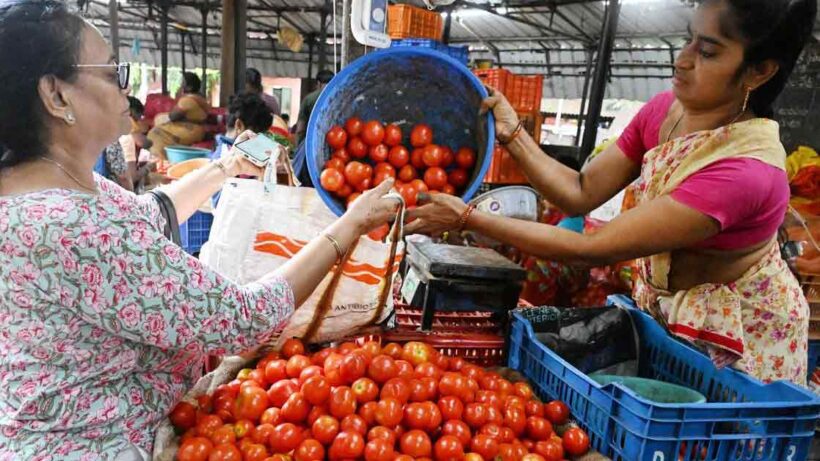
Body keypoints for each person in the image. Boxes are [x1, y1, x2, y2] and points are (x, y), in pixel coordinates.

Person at [0, 2, 399, 457]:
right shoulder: (72, 225)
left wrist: (224, 167)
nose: (126, 89)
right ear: (56, 96)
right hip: (93, 444)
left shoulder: (46, 187)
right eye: (112, 73)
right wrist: (349, 227)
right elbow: (245, 319)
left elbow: (147, 213)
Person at [407, 0, 816, 385]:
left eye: (707, 52)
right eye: (689, 38)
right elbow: (580, 191)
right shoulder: (664, 111)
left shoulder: (745, 173)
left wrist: (467, 217)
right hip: (672, 319)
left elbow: (594, 247)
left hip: (743, 342)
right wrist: (513, 133)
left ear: (759, 71)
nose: (683, 58)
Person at [146, 72, 211, 161]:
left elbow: (173, 116)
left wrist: (160, 118)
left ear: (189, 86)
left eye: (182, 83)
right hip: (195, 130)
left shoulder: (187, 100)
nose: (181, 85)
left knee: (155, 133)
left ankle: (161, 160)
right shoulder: (200, 98)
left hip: (189, 130)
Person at [296, 69, 334, 143]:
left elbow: (300, 128)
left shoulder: (309, 99)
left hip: (312, 142)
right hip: (333, 140)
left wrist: (298, 145)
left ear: (318, 83)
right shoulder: (338, 97)